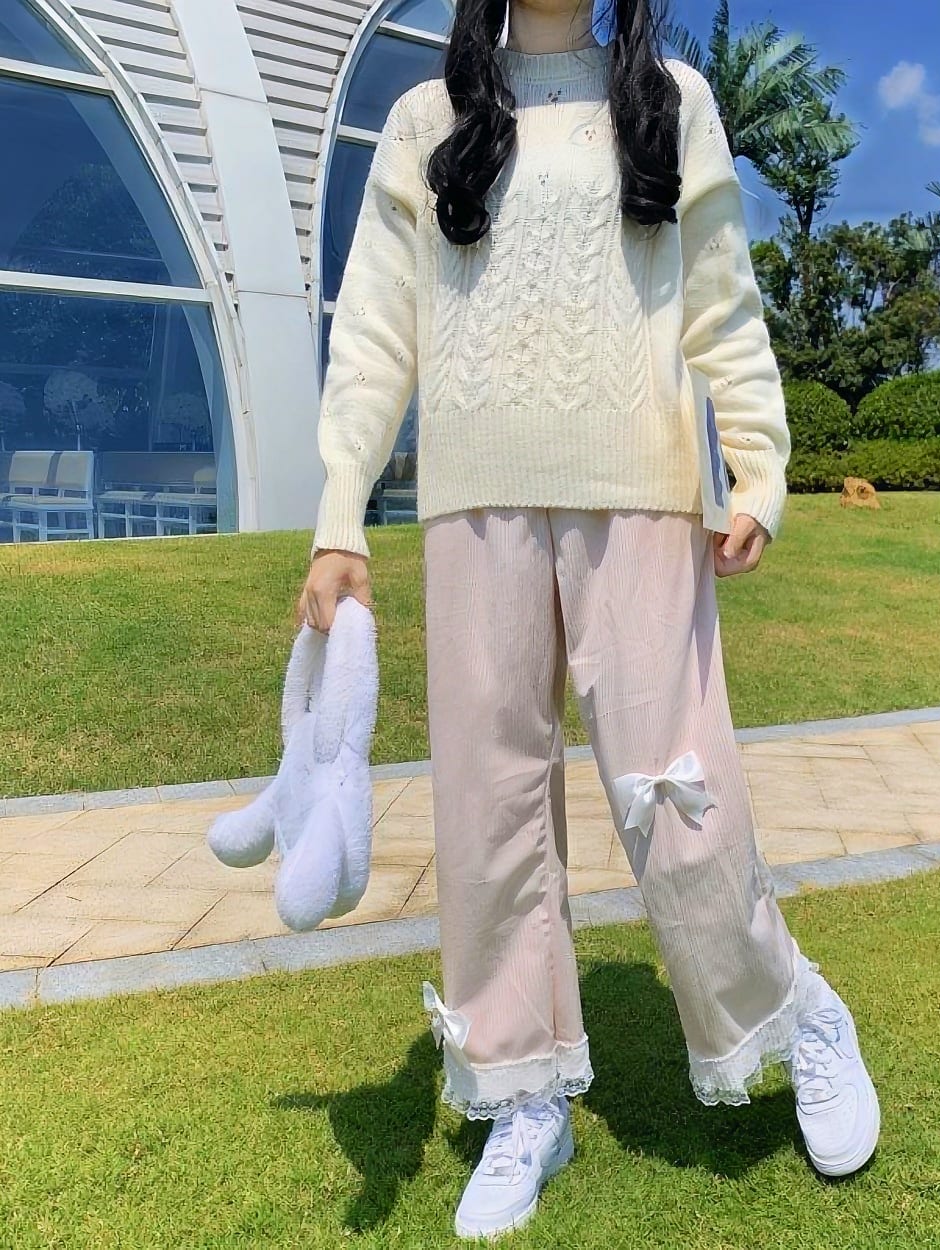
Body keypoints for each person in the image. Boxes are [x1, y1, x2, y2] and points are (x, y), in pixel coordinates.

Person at [299, 0, 880, 1237]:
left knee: (679, 797)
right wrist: (341, 507)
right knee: (488, 809)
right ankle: (523, 1090)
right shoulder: (425, 119)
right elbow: (375, 330)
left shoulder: (667, 101)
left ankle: (797, 1013)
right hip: (473, 500)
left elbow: (720, 298)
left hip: (641, 490)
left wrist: (759, 465)